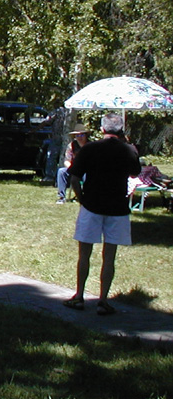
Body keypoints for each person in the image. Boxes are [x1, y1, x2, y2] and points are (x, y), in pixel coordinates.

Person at [63, 112, 141, 316]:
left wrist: (81, 199)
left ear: (102, 129)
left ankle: (79, 296)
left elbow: (73, 179)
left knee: (84, 254)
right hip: (117, 209)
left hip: (91, 206)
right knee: (109, 256)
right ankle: (103, 300)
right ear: (121, 130)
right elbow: (135, 173)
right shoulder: (128, 150)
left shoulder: (90, 149)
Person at [56, 123, 90, 204]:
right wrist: (72, 168)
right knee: (61, 171)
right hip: (74, 169)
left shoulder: (91, 146)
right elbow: (67, 161)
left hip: (87, 170)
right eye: (77, 136)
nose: (79, 138)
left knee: (86, 175)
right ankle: (61, 197)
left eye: (81, 135)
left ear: (85, 135)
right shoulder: (71, 146)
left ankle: (86, 196)